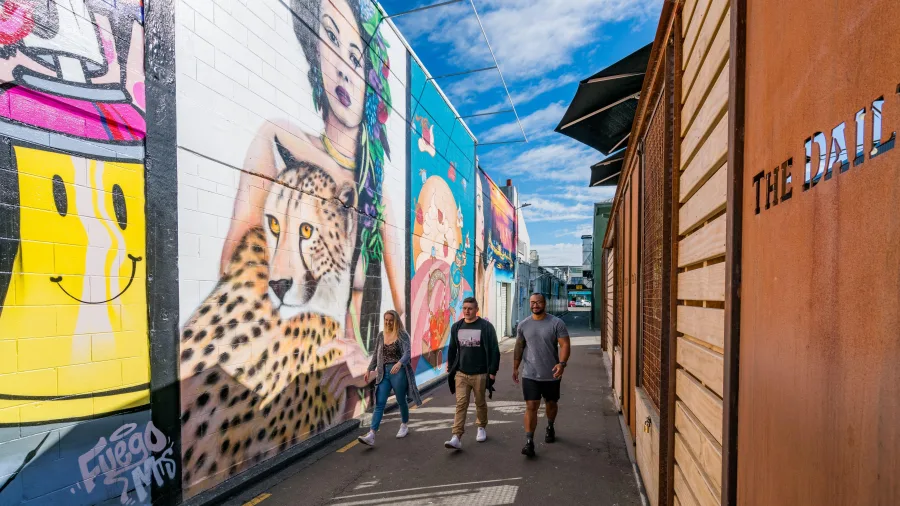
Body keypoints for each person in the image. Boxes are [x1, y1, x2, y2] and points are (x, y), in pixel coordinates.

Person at [513, 293, 571, 457]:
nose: (535, 305)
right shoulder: (524, 325)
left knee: (551, 404)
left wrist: (562, 363)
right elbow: (519, 346)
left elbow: (565, 344)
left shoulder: (556, 323)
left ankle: (550, 426)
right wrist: (515, 367)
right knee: (531, 406)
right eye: (532, 302)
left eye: (538, 302)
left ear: (545, 303)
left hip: (551, 373)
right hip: (530, 374)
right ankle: (529, 441)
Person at [357, 310, 423, 446]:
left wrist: (399, 363)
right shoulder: (381, 335)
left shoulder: (402, 335)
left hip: (398, 372)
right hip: (383, 373)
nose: (388, 322)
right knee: (379, 403)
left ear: (396, 321)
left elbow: (408, 352)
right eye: (386, 320)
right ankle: (372, 434)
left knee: (401, 401)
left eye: (390, 320)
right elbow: (376, 354)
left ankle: (404, 425)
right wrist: (369, 369)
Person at [444, 297, 500, 450]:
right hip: (461, 373)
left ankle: (481, 426)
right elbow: (452, 349)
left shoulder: (486, 327)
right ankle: (456, 436)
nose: (467, 311)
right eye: (465, 308)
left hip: (480, 374)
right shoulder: (457, 327)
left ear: (477, 309)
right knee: (461, 404)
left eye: (470, 308)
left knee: (480, 402)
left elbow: (495, 350)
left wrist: (492, 371)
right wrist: (451, 368)